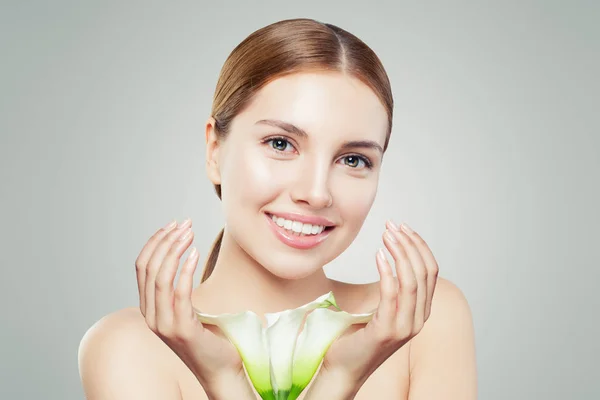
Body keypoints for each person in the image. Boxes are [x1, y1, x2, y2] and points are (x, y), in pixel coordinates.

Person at [78, 18, 477, 399]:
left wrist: (338, 376)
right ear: (215, 151)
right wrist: (226, 377)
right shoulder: (129, 346)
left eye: (353, 160)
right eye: (281, 144)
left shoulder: (423, 318)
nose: (316, 193)